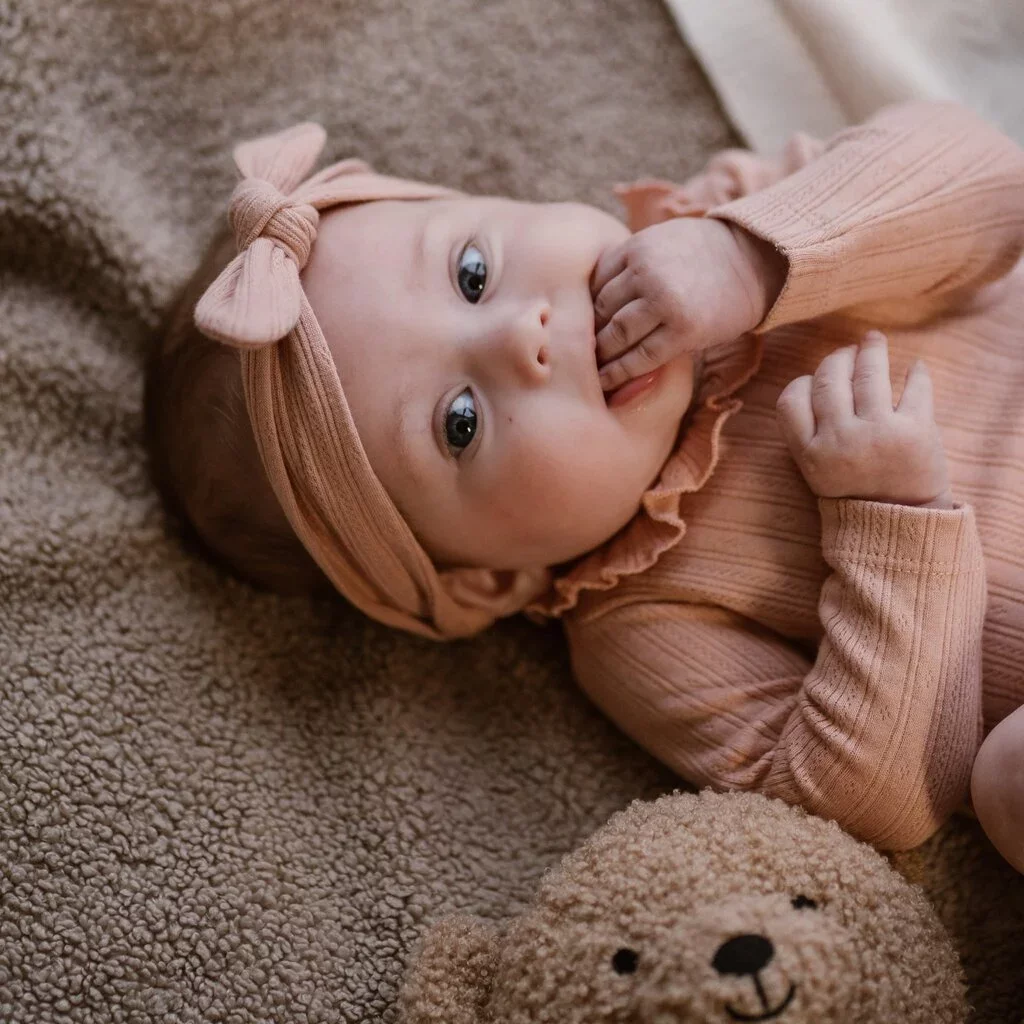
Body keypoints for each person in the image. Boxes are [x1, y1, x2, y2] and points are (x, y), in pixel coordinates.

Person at [144, 101, 1024, 870]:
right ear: (492, 578)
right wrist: (892, 522)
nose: (519, 334)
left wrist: (751, 259)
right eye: (460, 422)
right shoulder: (640, 626)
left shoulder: (726, 215)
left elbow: (988, 179)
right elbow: (879, 802)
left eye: (472, 274)